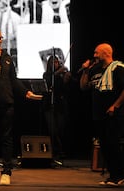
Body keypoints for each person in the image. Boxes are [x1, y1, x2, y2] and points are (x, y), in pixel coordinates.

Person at [0, 24, 41, 185]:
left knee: (6, 139)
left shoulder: (6, 57)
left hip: (7, 103)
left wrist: (26, 92)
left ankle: (6, 172)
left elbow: (13, 80)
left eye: (0, 38)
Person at [79, 43, 124, 186]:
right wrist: (86, 71)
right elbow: (83, 87)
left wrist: (114, 106)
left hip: (113, 114)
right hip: (98, 114)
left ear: (106, 53)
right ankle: (113, 176)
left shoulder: (118, 68)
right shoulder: (95, 69)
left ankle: (119, 176)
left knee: (113, 144)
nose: (94, 56)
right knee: (104, 145)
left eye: (96, 53)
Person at [42, 54, 72, 160]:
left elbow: (66, 89)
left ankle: (59, 151)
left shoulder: (62, 74)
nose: (56, 64)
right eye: (53, 62)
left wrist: (66, 78)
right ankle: (56, 151)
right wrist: (58, 73)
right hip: (49, 105)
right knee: (52, 129)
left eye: (57, 62)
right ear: (49, 64)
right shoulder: (46, 74)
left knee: (60, 129)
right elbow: (48, 82)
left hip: (60, 105)